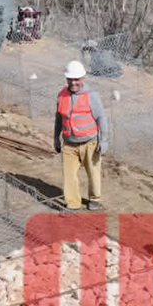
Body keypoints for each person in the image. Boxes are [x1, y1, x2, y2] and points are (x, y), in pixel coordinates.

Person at [53, 60, 108, 210]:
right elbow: (58, 119)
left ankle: (94, 198)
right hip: (69, 144)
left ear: (82, 78)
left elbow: (101, 118)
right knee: (69, 175)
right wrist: (56, 138)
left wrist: (104, 140)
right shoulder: (61, 95)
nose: (73, 83)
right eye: (70, 79)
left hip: (90, 143)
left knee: (93, 173)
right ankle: (73, 203)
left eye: (76, 79)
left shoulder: (91, 95)